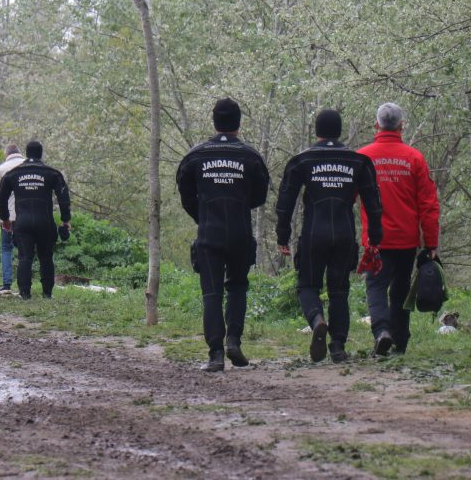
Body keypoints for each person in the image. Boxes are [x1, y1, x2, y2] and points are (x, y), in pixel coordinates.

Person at [275, 109, 383, 363]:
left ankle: (317, 320)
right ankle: (337, 346)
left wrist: (283, 235)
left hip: (314, 233)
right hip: (344, 234)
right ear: (339, 131)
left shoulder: (302, 160)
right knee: (339, 291)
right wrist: (375, 237)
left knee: (307, 285)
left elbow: (285, 201)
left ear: (317, 131)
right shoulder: (358, 161)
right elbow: (373, 202)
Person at [176, 98, 270, 372]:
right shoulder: (251, 157)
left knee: (212, 292)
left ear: (214, 121)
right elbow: (260, 196)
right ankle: (234, 341)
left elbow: (185, 195)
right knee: (238, 286)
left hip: (209, 233)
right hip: (240, 231)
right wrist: (238, 205)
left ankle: (215, 354)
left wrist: (204, 215)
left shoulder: (195, 156)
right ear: (239, 123)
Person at [358, 102, 441, 356]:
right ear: (401, 126)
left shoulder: (363, 157)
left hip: (376, 240)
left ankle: (381, 332)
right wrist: (431, 243)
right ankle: (400, 342)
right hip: (406, 240)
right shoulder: (414, 158)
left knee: (376, 287)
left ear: (377, 125)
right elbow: (429, 204)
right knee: (401, 291)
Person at [0, 141, 71, 299]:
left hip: (22, 222)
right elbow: (63, 197)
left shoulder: (13, 174)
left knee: (24, 257)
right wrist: (65, 220)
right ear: (41, 154)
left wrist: (5, 219)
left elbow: (1, 198)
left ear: (26, 153)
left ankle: (25, 293)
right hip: (45, 221)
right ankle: (47, 293)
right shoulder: (52, 173)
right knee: (46, 257)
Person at [0, 144, 26, 295]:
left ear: (7, 154)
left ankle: (7, 284)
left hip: (8, 216)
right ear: (19, 153)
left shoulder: (2, 168)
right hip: (27, 214)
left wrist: (2, 201)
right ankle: (24, 285)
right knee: (25, 249)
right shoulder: (29, 166)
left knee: (6, 248)